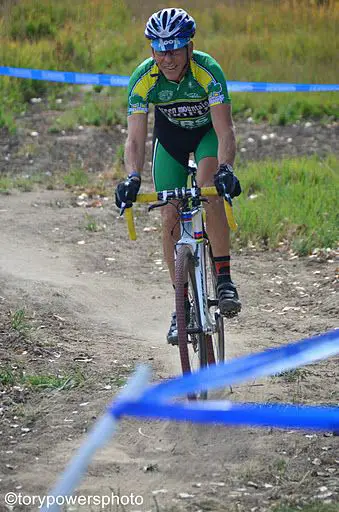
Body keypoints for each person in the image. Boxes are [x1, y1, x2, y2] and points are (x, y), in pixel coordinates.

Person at [115, 8, 242, 344]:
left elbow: (225, 131)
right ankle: (181, 307)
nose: (166, 58)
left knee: (208, 191)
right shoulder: (144, 78)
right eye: (159, 49)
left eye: (173, 48)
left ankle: (224, 278)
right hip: (170, 140)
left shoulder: (207, 71)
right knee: (169, 211)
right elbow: (135, 138)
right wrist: (131, 177)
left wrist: (226, 170)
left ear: (189, 46)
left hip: (206, 137)